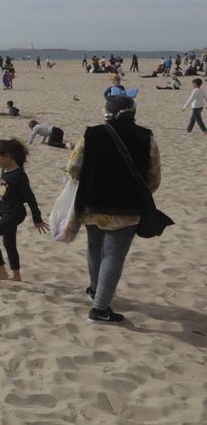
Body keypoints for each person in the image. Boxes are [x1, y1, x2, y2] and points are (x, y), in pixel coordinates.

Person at [68, 94, 161, 324]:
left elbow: (73, 167)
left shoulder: (91, 134)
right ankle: (100, 309)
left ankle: (95, 290)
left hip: (92, 203)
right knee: (113, 255)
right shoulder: (145, 137)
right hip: (126, 207)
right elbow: (153, 176)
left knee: (94, 246)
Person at [0, 138, 49, 284]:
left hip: (15, 213)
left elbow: (30, 198)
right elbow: (2, 193)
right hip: (6, 211)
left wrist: (37, 218)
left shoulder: (19, 176)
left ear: (8, 156)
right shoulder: (5, 172)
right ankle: (16, 276)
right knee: (9, 244)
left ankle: (2, 272)